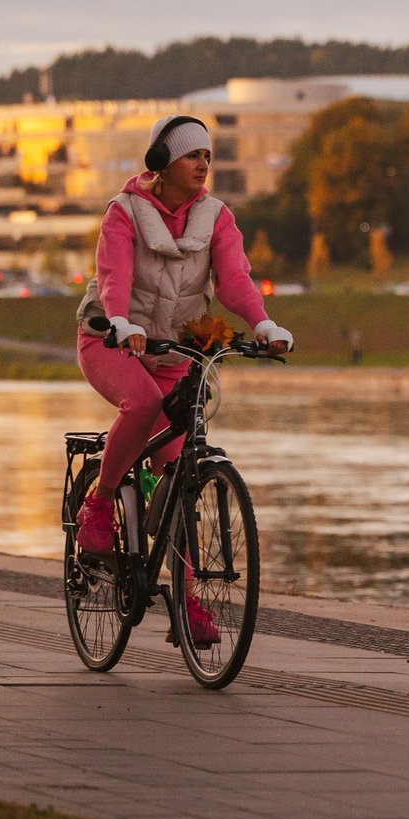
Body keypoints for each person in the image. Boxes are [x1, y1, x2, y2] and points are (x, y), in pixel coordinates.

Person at [71, 116, 293, 640]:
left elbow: (234, 279)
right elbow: (115, 275)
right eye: (193, 155)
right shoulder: (124, 212)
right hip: (111, 340)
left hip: (174, 351)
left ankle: (188, 605)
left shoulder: (217, 216)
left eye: (208, 156)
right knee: (143, 403)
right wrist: (121, 322)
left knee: (181, 479)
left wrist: (262, 323)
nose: (203, 165)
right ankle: (99, 504)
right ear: (162, 162)